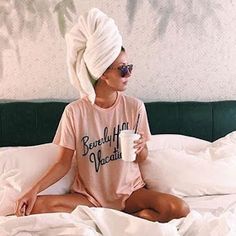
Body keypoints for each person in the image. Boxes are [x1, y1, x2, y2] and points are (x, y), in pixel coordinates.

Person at [15, 8, 190, 222]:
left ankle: (117, 219)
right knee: (35, 206)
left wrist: (141, 147)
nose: (129, 74)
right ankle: (124, 220)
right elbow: (62, 163)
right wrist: (33, 190)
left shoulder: (135, 107)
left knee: (179, 208)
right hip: (89, 198)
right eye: (123, 69)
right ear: (103, 73)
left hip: (130, 194)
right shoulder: (75, 112)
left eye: (129, 67)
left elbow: (143, 158)